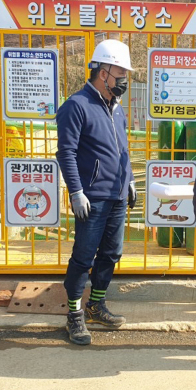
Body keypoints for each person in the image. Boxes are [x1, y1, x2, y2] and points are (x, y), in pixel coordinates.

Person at [56, 39, 137, 346]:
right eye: (120, 73)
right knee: (83, 256)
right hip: (92, 197)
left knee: (112, 253)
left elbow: (123, 150)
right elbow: (66, 152)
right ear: (102, 72)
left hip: (116, 195)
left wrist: (128, 179)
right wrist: (76, 191)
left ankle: (96, 304)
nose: (124, 80)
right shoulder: (76, 106)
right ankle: (74, 314)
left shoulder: (116, 109)